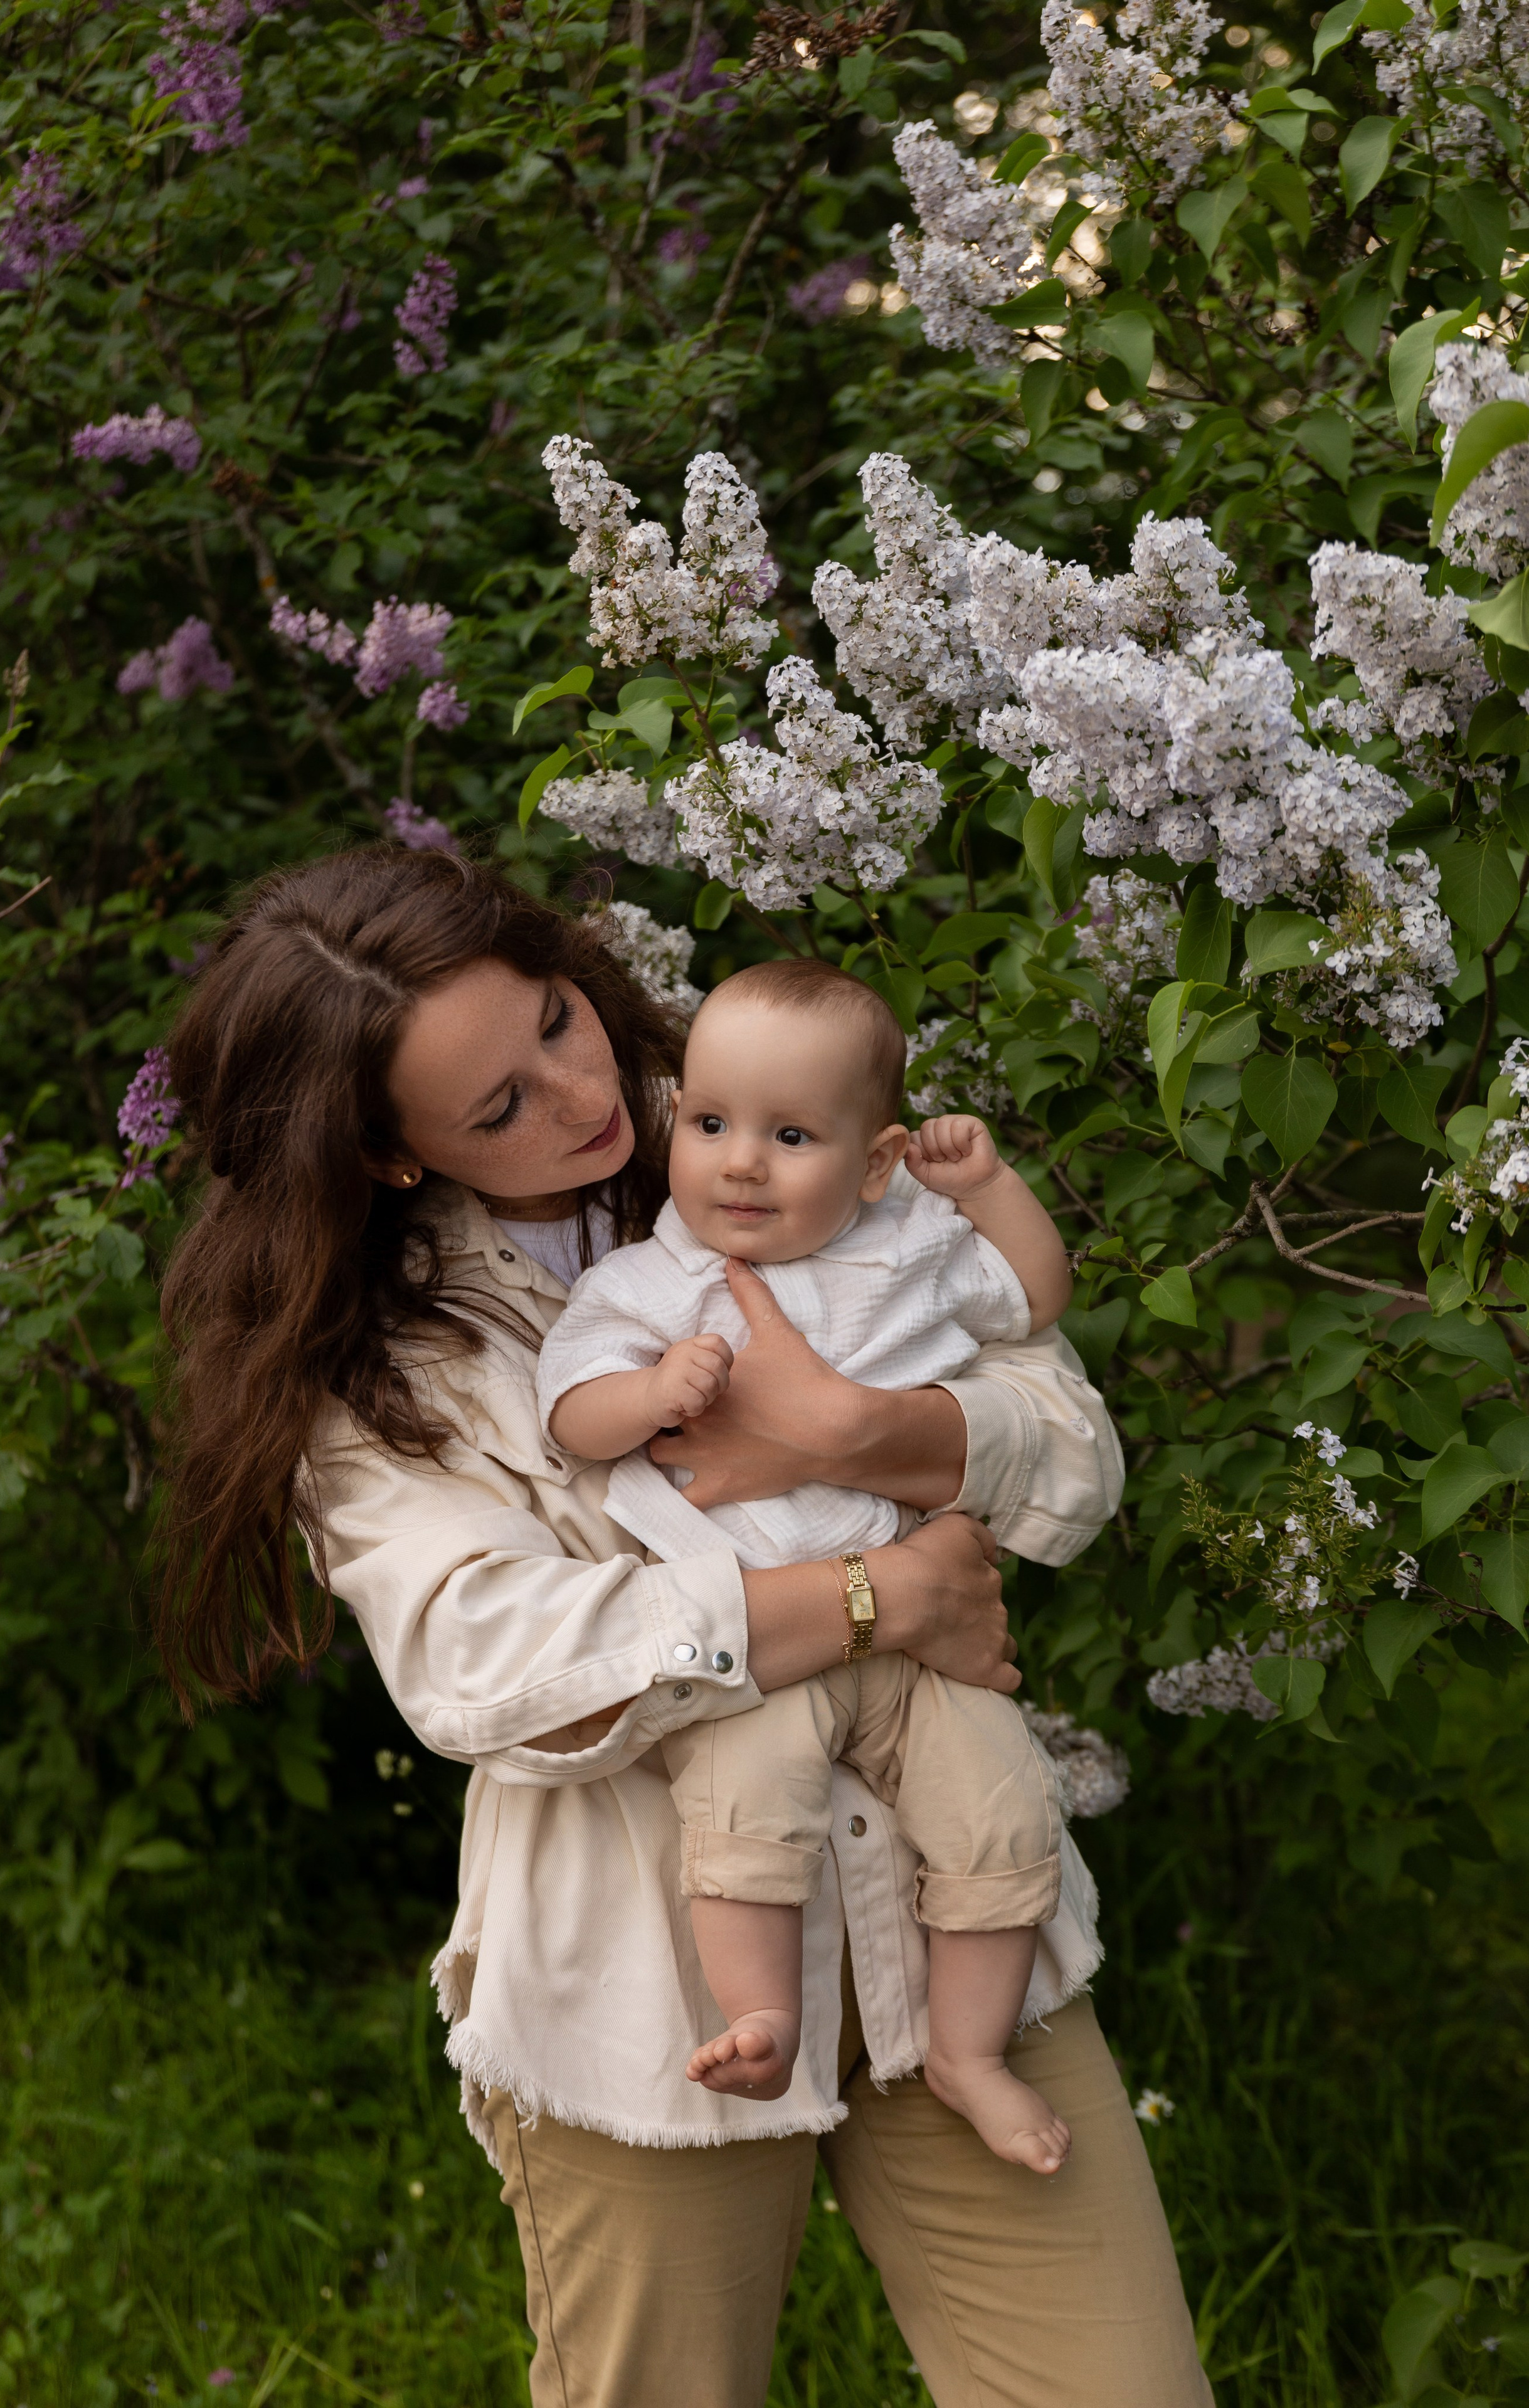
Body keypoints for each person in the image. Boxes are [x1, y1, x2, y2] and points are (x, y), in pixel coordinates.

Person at [155, 846, 1213, 2408]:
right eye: (494, 1107)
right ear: (387, 1156)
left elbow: (1069, 1443)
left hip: (951, 1929)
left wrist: (846, 1429)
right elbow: (493, 1668)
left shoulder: (777, 1122)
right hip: (650, 2006)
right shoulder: (377, 1369)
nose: (580, 1096)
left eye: (559, 1024)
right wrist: (875, 1595)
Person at [539, 958, 1076, 2173]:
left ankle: (968, 2051)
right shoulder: (649, 1280)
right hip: (759, 1634)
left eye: (790, 1135)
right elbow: (569, 1412)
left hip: (917, 1627)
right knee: (740, 1816)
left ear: (875, 1162)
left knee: (1001, 1812)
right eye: (714, 1124)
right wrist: (647, 1392)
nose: (740, 1163)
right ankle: (760, 2015)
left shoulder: (913, 1244)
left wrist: (986, 1188)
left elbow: (1034, 1300)